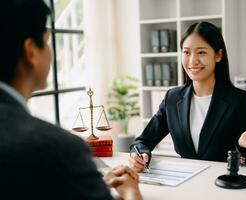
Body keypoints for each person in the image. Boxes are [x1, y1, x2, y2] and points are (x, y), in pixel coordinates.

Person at [0, 1, 142, 200]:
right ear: (31, 51)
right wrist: (131, 192)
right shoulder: (59, 149)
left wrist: (89, 186)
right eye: (48, 41)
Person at [129, 22, 246, 172]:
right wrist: (140, 154)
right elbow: (143, 141)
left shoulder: (237, 100)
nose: (192, 61)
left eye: (201, 52)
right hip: (185, 182)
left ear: (218, 55)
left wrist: (242, 145)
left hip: (219, 185)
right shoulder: (172, 98)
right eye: (186, 52)